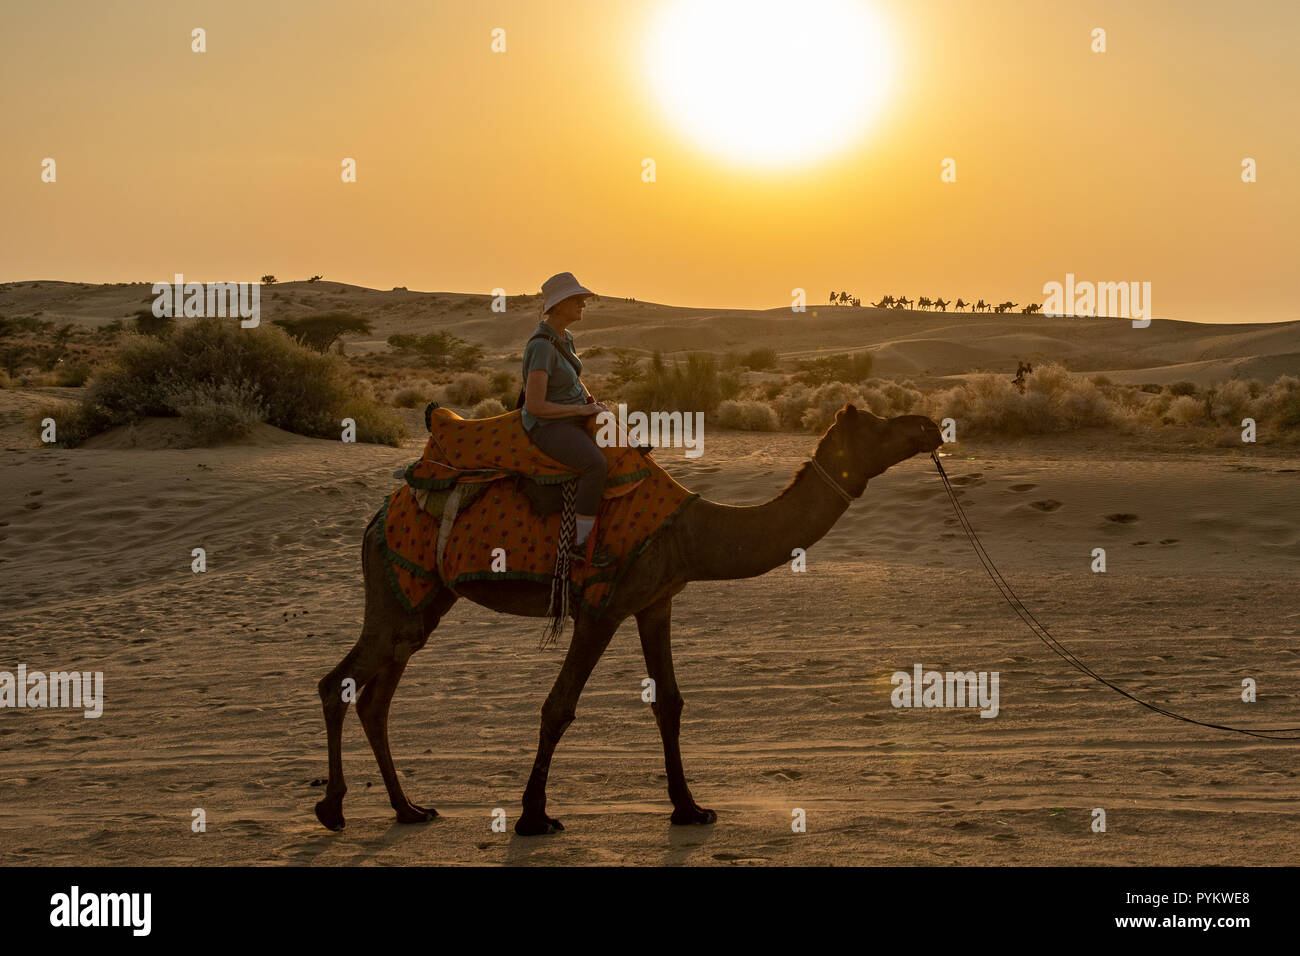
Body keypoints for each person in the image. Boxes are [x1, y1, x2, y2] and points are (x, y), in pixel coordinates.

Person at [521, 272, 615, 567]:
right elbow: (535, 405)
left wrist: (591, 402)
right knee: (594, 465)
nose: (582, 305)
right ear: (559, 305)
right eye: (576, 300)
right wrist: (581, 411)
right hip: (549, 425)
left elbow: (574, 379)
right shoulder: (541, 346)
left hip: (572, 415)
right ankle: (582, 544)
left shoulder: (565, 337)